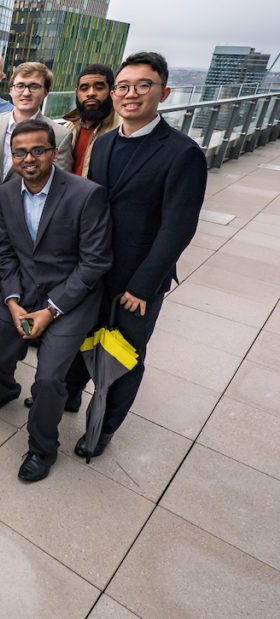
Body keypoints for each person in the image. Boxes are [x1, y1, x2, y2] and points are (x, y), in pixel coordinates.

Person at [66, 51, 207, 459]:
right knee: (81, 337)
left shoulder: (182, 152)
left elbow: (178, 228)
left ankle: (104, 428)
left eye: (142, 86)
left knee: (123, 356)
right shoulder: (106, 142)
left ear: (162, 92)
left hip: (137, 281)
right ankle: (71, 395)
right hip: (95, 269)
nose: (130, 94)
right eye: (123, 87)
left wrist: (143, 285)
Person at [0, 121, 112, 482]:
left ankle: (42, 448)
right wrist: (13, 301)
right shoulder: (6, 194)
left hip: (71, 299)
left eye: (38, 150)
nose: (29, 158)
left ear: (54, 152)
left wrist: (51, 311)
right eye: (20, 152)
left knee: (50, 378)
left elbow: (95, 262)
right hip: (23, 293)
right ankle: (5, 389)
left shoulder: (86, 194)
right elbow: (6, 253)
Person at [0, 61, 73, 354]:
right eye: (20, 85)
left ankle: (18, 337)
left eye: (34, 86)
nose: (26, 92)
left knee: (18, 286)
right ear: (10, 88)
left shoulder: (59, 135)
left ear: (46, 91)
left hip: (26, 225)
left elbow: (58, 188)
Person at [62, 63, 122, 177]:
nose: (91, 93)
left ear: (112, 91)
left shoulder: (122, 130)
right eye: (84, 89)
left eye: (99, 88)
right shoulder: (68, 128)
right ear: (76, 93)